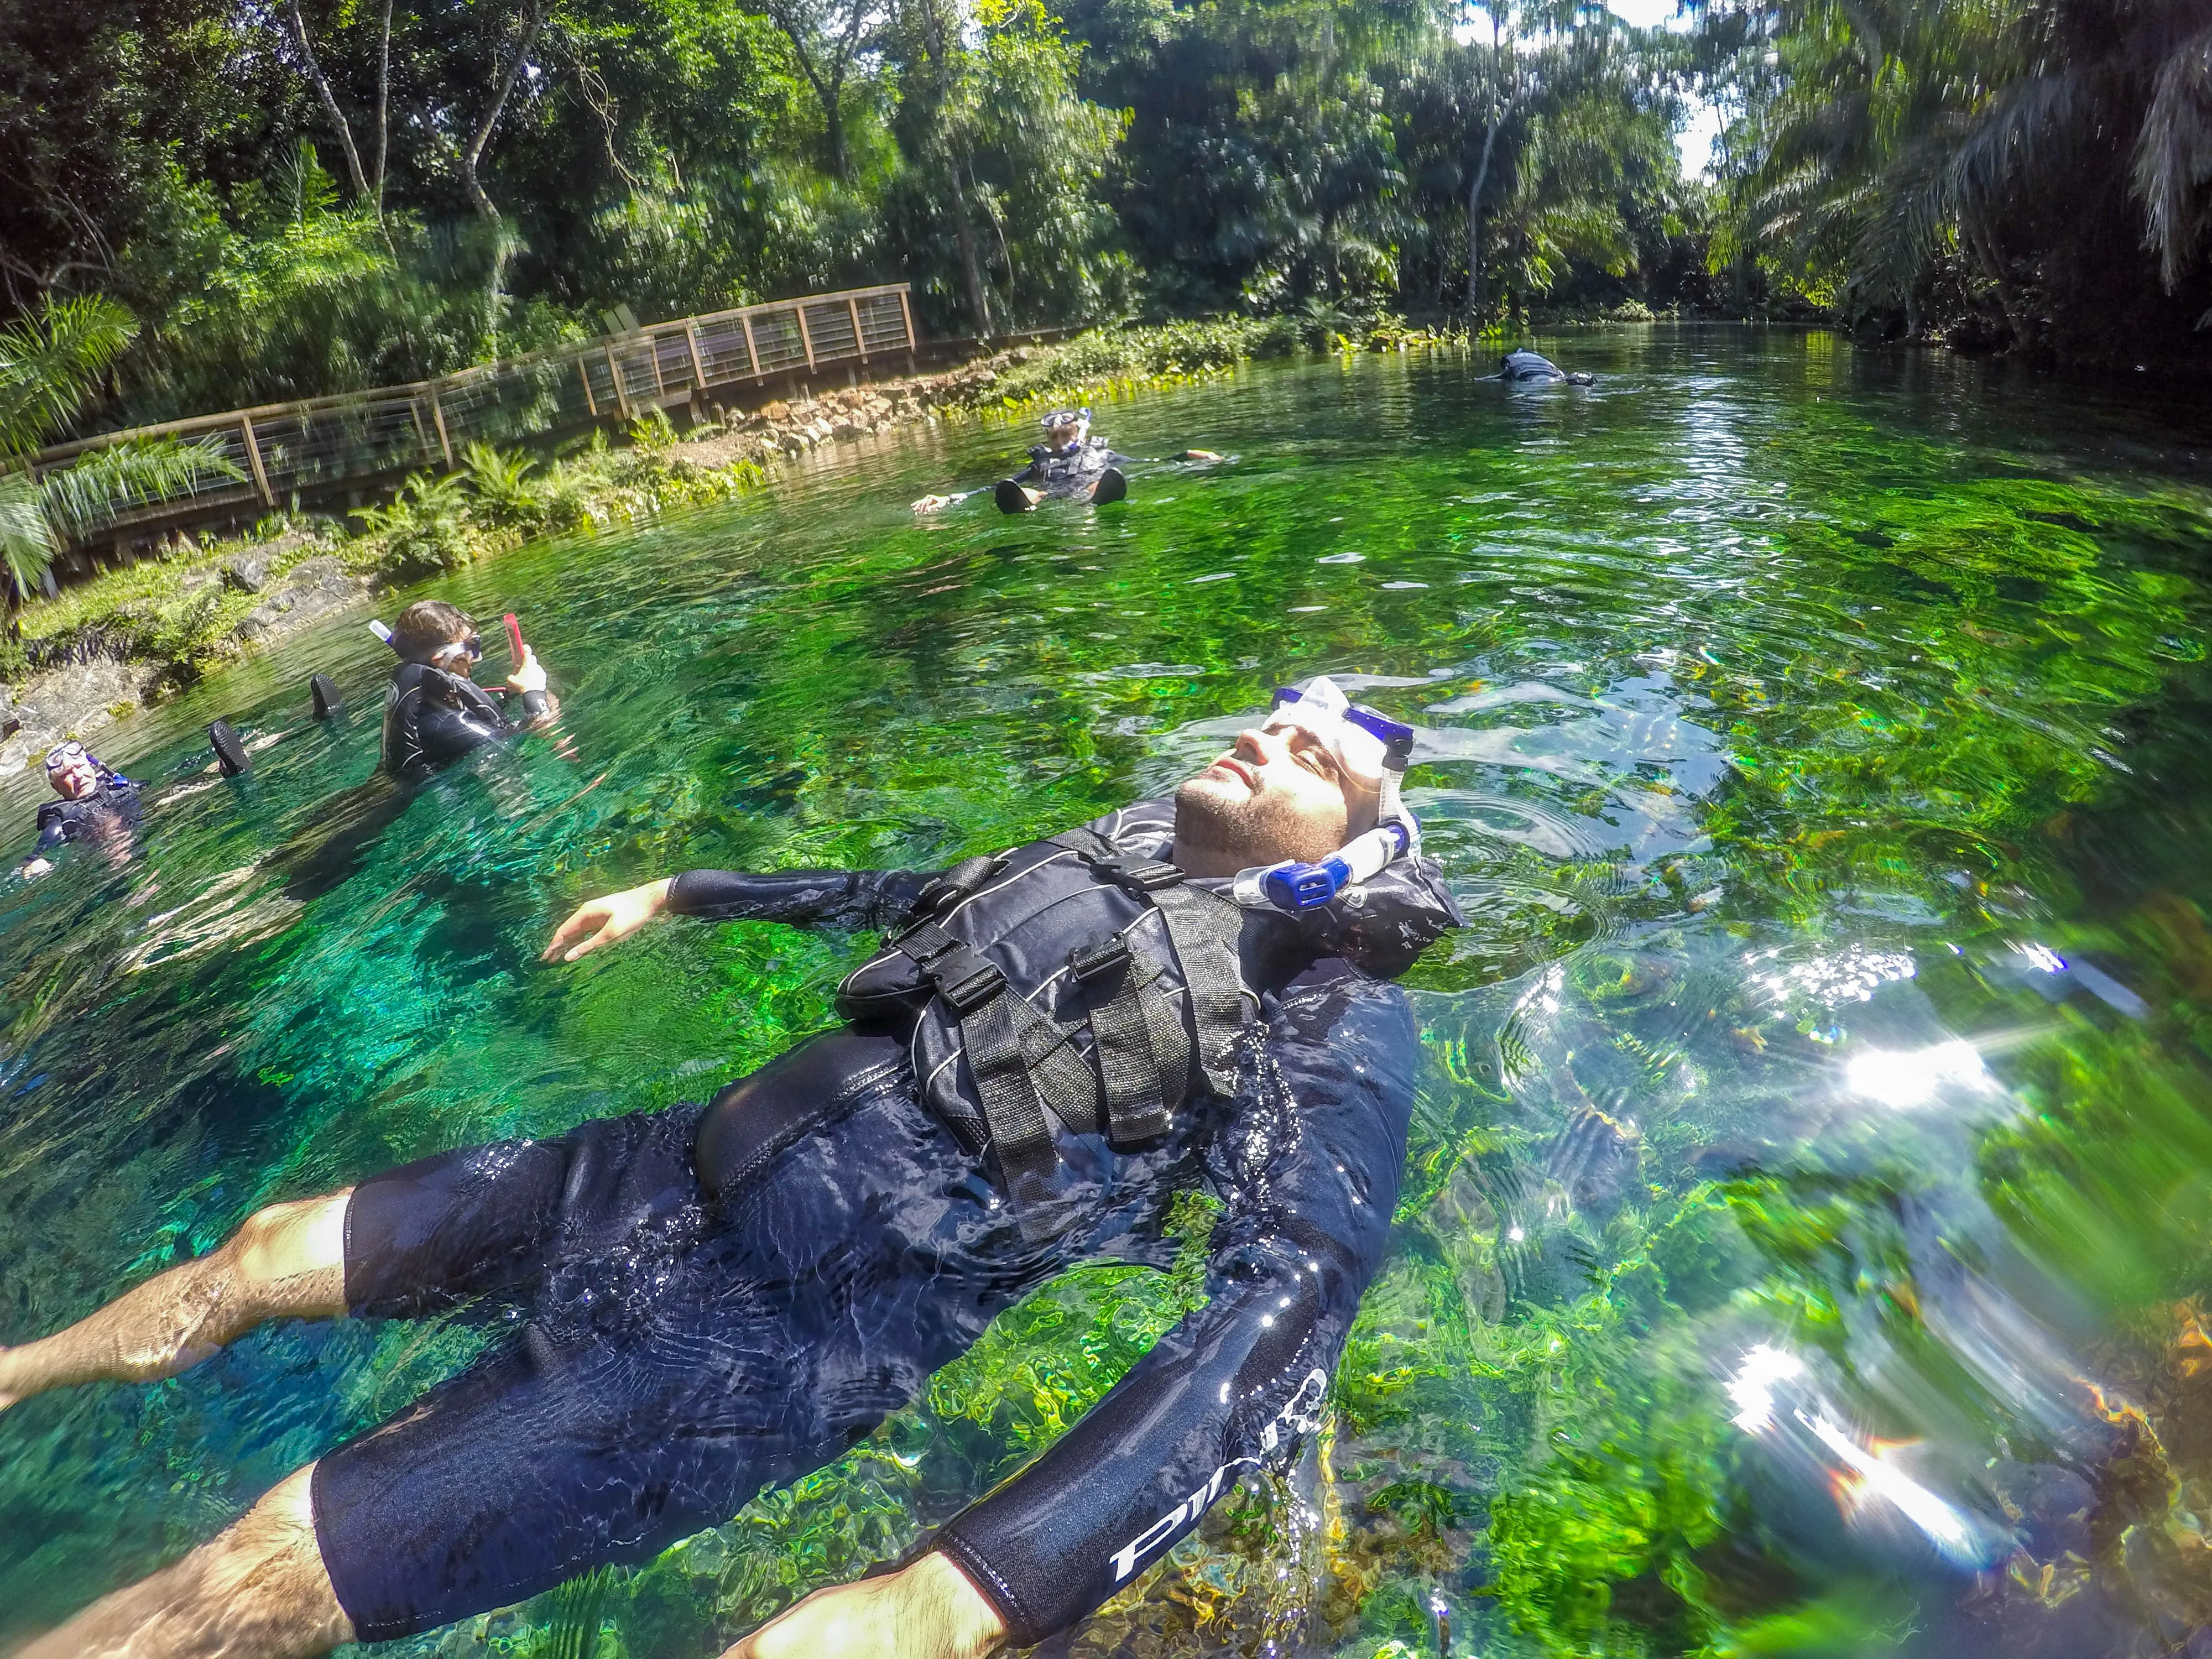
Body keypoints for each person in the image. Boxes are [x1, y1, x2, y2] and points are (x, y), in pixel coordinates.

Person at [0, 677, 1462, 1659]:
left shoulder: (1330, 1014)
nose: (1270, 740)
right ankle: (15, 1370)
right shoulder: (1109, 862)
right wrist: (684, 893)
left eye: (1314, 758)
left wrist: (963, 1591)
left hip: (765, 1345)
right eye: (1275, 721)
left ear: (1353, 844)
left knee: (249, 1576)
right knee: (262, 1248)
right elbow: (891, 901)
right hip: (649, 1174)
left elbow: (1294, 1298)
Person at [911, 408, 1224, 515]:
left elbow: (1150, 462)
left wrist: (1188, 456)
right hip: (1051, 493)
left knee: (1096, 481)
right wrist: (949, 498)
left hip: (1088, 485)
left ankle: (1097, 499)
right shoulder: (1040, 464)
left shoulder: (1102, 455)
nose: (1060, 442)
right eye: (1054, 438)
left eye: (1066, 435)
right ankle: (1024, 506)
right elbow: (993, 486)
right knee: (1035, 492)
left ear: (1080, 433)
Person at [379, 600, 559, 780]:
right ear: (441, 659)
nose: (475, 657)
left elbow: (481, 723)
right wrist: (534, 691)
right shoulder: (448, 724)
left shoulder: (430, 704)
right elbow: (533, 737)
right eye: (471, 646)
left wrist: (512, 696)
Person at [18, 740, 143, 880]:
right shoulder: (59, 819)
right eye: (67, 774)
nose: (78, 775)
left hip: (140, 839)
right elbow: (33, 857)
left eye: (80, 766)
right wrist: (33, 865)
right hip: (108, 866)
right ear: (56, 787)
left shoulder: (118, 786)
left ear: (90, 767)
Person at [1492, 347, 1594, 387]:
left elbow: (1505, 375)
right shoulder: (1542, 359)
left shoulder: (1511, 360)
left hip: (1533, 379)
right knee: (1562, 380)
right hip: (1553, 376)